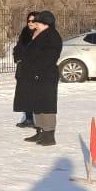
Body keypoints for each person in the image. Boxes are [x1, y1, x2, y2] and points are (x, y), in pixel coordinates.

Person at [14, 10, 63, 147]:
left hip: (45, 75)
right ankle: (40, 131)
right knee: (37, 104)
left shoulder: (51, 36)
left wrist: (37, 71)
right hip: (34, 75)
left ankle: (49, 134)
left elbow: (48, 57)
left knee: (46, 105)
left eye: (38, 22)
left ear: (46, 23)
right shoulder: (38, 34)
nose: (35, 24)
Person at [12, 12, 38, 128]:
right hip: (23, 68)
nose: (30, 23)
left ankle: (40, 121)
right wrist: (18, 58)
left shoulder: (41, 33)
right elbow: (18, 48)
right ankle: (29, 118)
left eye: (33, 21)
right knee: (25, 94)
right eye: (29, 21)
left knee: (35, 94)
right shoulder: (25, 32)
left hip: (35, 69)